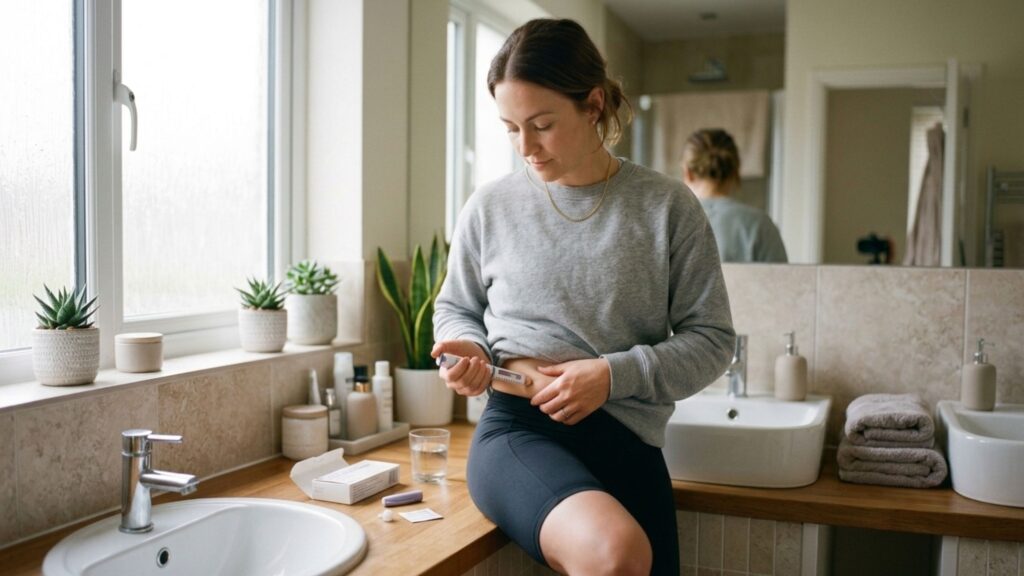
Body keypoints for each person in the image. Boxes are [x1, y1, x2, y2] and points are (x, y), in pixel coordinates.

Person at [432, 19, 735, 576]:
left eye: (542, 124)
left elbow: (713, 341)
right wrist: (467, 350)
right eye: (510, 128)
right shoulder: (490, 206)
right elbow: (456, 307)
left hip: (628, 438)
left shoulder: (667, 207)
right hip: (519, 427)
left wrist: (611, 376)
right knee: (617, 553)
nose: (526, 147)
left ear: (593, 105)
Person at [681, 128, 788, 263]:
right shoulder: (759, 226)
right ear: (735, 172)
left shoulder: (672, 222)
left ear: (688, 173)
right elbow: (780, 281)